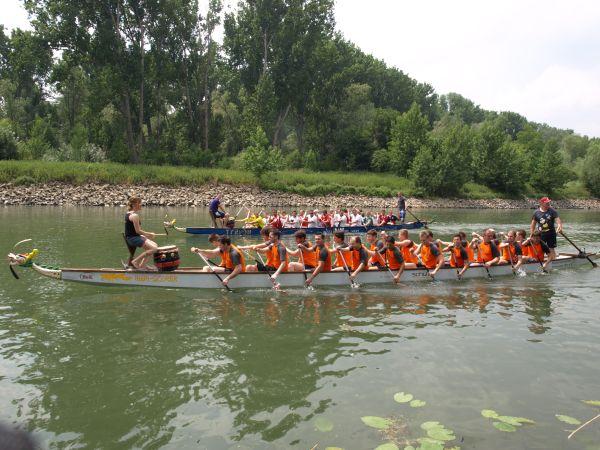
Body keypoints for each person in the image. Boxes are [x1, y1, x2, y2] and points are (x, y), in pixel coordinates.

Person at [124, 196, 159, 270]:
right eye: (139, 203)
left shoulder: (129, 213)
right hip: (132, 238)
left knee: (154, 245)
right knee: (154, 248)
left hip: (134, 237)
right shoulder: (134, 216)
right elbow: (138, 231)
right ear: (134, 204)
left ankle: (142, 265)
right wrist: (149, 234)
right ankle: (135, 262)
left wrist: (144, 235)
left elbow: (133, 230)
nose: (141, 204)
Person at [530, 196, 563, 261]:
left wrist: (559, 226)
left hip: (551, 234)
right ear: (541, 203)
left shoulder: (552, 211)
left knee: (551, 248)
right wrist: (532, 234)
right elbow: (533, 224)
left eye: (549, 202)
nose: (548, 204)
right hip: (541, 235)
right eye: (546, 203)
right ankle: (539, 261)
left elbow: (557, 220)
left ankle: (553, 261)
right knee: (540, 248)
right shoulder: (536, 212)